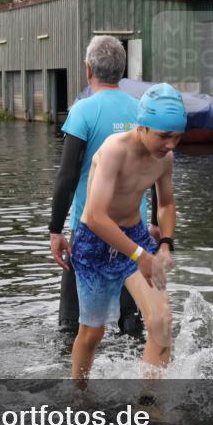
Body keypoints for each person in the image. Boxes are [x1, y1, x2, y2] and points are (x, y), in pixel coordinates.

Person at [70, 83, 185, 387]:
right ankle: (78, 396)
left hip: (135, 236)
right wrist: (141, 256)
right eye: (164, 136)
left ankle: (149, 408)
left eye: (177, 136)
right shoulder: (114, 150)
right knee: (92, 333)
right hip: (94, 243)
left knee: (161, 322)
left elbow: (168, 203)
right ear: (143, 126)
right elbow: (95, 216)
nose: (171, 145)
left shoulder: (164, 158)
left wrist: (165, 245)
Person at [49, 35, 155, 338]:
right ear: (122, 72)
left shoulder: (83, 111)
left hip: (89, 227)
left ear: (87, 70)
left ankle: (72, 377)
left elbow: (67, 176)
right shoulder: (141, 112)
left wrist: (55, 230)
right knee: (132, 325)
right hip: (134, 229)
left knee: (72, 327)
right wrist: (158, 224)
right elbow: (158, 166)